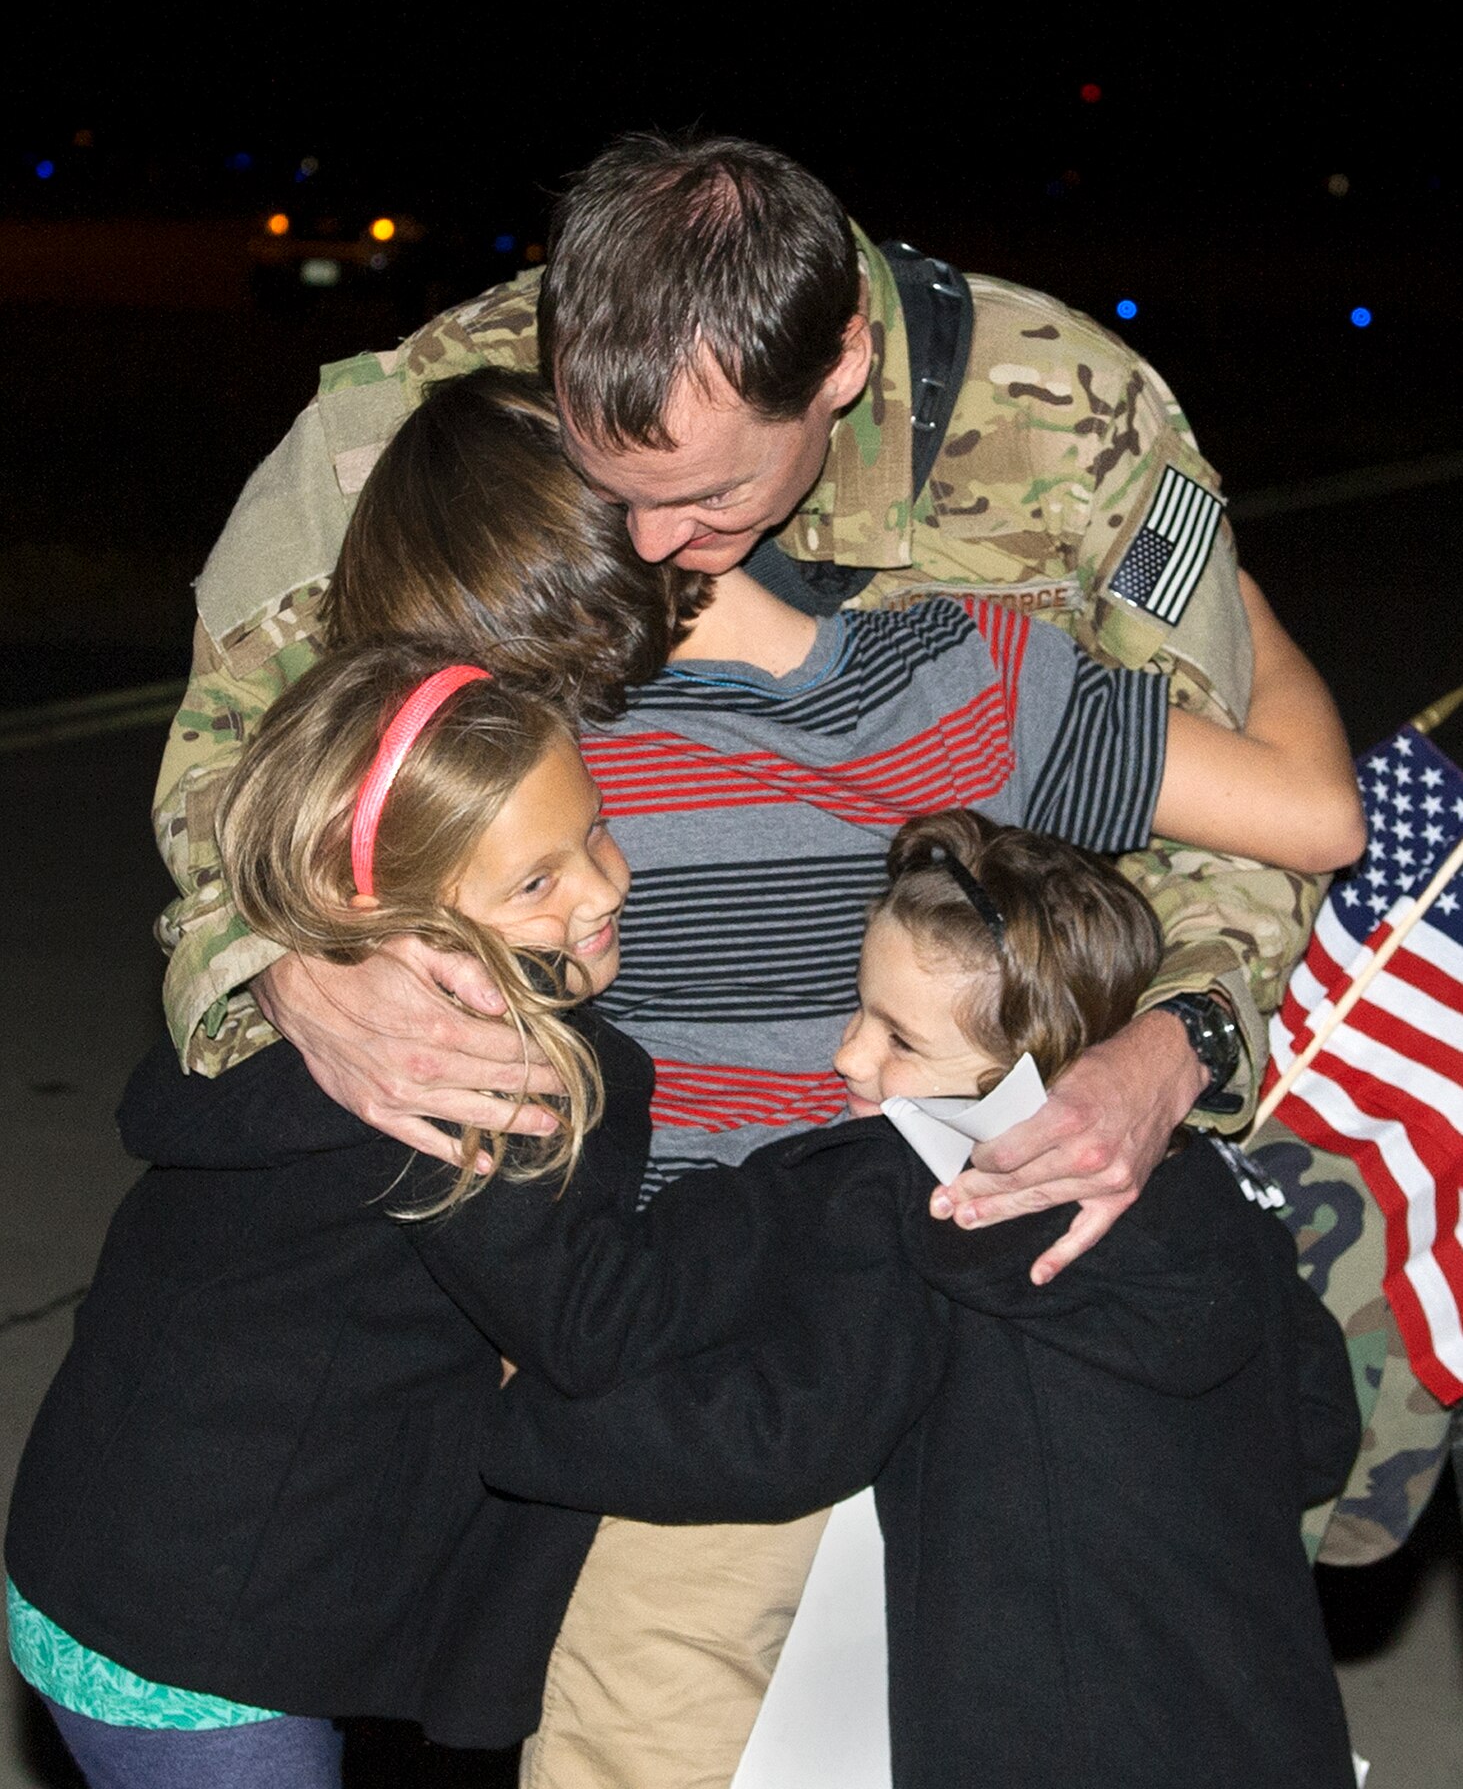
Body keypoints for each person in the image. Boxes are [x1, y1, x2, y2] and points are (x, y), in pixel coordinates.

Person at [152, 136, 1419, 1562]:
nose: (640, 543)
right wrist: (288, 973)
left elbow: (1242, 811)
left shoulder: (1067, 420)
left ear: (837, 367)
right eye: (605, 478)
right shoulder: (416, 418)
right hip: (617, 1249)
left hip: (990, 1171)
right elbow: (232, 770)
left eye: (703, 501)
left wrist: (1175, 1045)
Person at [270, 365, 1360, 1787]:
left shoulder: (550, 789)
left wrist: (298, 959)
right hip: (961, 1318)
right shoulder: (961, 678)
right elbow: (1314, 812)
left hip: (687, 1354)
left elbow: (337, 884)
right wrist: (1208, 574)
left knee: (632, 1732)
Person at [5, 636, 950, 1787]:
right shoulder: (475, 1075)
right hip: (198, 1646)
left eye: (593, 829)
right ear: (391, 917)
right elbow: (595, 1321)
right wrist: (831, 1179)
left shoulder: (317, 1020)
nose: (602, 885)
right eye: (535, 883)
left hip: (95, 1553)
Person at [479, 812, 1362, 1789]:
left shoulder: (918, 1189)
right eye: (860, 1011)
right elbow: (1318, 1429)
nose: (848, 1057)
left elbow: (782, 1435)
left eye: (897, 1035)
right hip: (1269, 1734)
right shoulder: (1227, 1207)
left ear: (1029, 1077)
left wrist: (513, 1423)